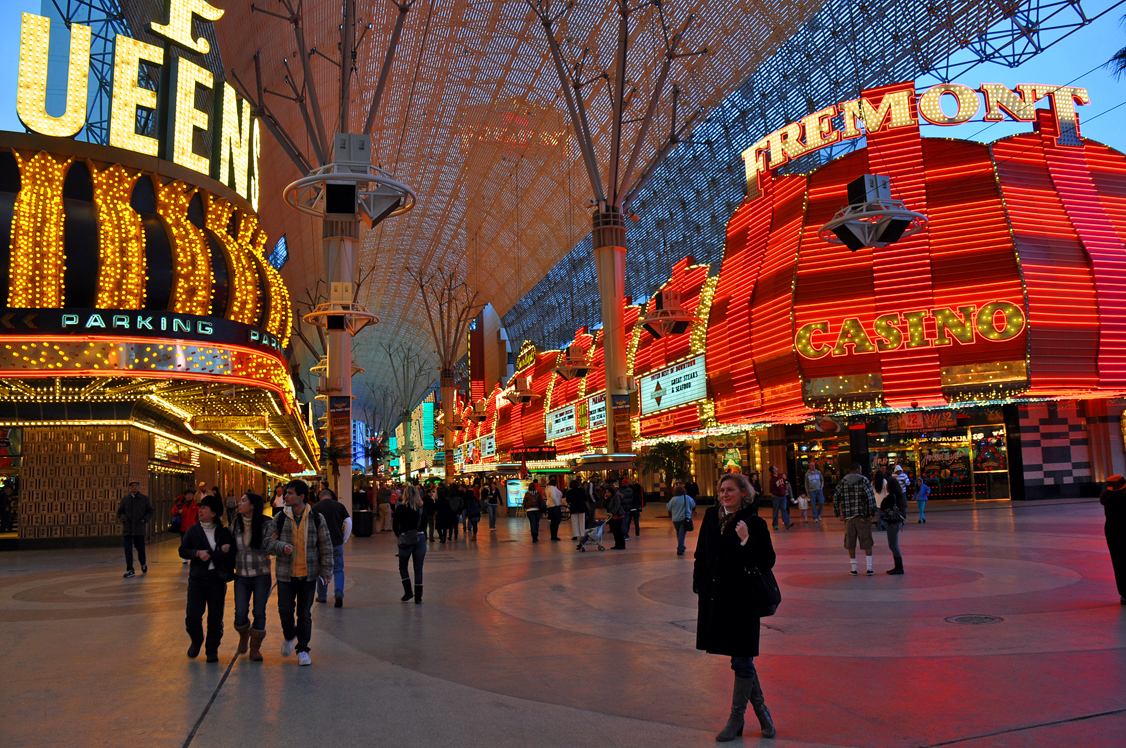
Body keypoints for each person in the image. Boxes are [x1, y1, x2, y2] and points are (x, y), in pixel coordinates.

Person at [693, 472, 777, 741]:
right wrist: (700, 585)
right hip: (717, 597)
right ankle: (763, 715)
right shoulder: (710, 517)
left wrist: (746, 539)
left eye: (730, 490)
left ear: (744, 492)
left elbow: (766, 561)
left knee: (741, 659)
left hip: (743, 601)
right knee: (741, 659)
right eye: (721, 490)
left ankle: (736, 719)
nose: (725, 495)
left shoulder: (752, 522)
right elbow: (701, 555)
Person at [264, 480, 333, 666]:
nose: (285, 496)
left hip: (308, 575)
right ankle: (289, 635)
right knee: (285, 611)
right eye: (285, 493)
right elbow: (267, 542)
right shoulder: (280, 518)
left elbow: (325, 546)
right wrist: (280, 546)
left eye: (290, 493)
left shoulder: (317, 518)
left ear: (301, 497)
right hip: (285, 575)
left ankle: (303, 649)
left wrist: (326, 571)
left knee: (304, 614)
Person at [178, 494, 234, 662]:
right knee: (193, 615)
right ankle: (196, 639)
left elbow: (230, 556)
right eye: (200, 508)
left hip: (216, 579)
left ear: (213, 513)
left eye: (204, 508)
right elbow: (182, 550)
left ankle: (212, 649)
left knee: (215, 617)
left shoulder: (223, 533)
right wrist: (196, 553)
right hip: (197, 579)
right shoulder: (193, 531)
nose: (200, 510)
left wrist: (213, 554)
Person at [231, 491, 271, 661]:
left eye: (243, 501)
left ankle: (255, 647)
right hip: (241, 575)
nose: (240, 503)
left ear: (253, 505)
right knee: (240, 612)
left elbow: (272, 547)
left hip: (261, 575)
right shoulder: (235, 524)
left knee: (259, 611)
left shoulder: (267, 524)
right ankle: (243, 635)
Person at [833, 462, 877, 576]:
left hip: (848, 517)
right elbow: (870, 497)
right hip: (862, 516)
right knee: (867, 541)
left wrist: (839, 514)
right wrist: (871, 513)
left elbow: (835, 498)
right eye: (860, 470)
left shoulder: (842, 482)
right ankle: (869, 568)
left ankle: (854, 568)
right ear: (857, 470)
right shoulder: (864, 481)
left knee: (850, 542)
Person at [312, 488, 352, 608]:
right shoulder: (339, 506)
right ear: (331, 496)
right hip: (336, 542)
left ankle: (322, 596)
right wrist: (344, 538)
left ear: (320, 497)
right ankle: (338, 593)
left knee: (321, 569)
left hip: (321, 544)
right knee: (338, 569)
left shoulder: (316, 507)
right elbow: (348, 523)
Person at [393, 485, 428, 603]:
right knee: (418, 569)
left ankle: (408, 591)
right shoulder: (422, 509)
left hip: (406, 538)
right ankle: (419, 596)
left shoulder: (401, 508)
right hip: (420, 537)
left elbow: (395, 524)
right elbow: (425, 524)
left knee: (403, 566)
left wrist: (399, 534)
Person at [118, 480, 154, 578]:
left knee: (140, 548)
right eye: (132, 486)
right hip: (128, 529)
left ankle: (143, 563)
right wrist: (123, 518)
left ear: (139, 487)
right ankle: (130, 569)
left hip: (139, 528)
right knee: (128, 549)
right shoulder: (125, 500)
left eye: (136, 485)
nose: (134, 487)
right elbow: (120, 511)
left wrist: (144, 520)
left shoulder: (144, 499)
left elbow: (150, 511)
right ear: (129, 488)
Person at [1100, 474, 1126, 605]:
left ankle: (1124, 594)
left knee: (1118, 563)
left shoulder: (1107, 499)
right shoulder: (1123, 500)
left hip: (1112, 533)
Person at [882, 476, 908, 575]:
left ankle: (899, 567)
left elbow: (883, 505)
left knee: (893, 545)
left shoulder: (890, 497)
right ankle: (898, 566)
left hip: (892, 522)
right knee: (894, 545)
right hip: (898, 521)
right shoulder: (900, 496)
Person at [667, 483, 696, 556]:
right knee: (682, 534)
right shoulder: (687, 498)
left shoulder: (673, 499)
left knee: (679, 533)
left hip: (675, 519)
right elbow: (693, 504)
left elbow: (668, 507)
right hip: (685, 518)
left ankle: (682, 546)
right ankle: (680, 549)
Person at [174, 489, 200, 565]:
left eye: (191, 495)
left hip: (192, 528)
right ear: (185, 496)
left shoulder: (195, 505)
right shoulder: (180, 504)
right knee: (184, 542)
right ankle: (185, 558)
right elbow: (173, 511)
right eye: (188, 494)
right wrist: (178, 512)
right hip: (183, 527)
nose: (190, 496)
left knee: (193, 542)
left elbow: (199, 516)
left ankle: (192, 556)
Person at [767, 466, 794, 531]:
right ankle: (775, 524)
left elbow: (784, 483)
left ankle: (787, 523)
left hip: (783, 496)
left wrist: (784, 490)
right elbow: (771, 489)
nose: (777, 467)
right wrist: (778, 493)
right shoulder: (772, 479)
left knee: (784, 509)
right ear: (773, 470)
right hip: (776, 497)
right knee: (776, 511)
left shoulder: (780, 475)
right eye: (775, 467)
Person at [605, 483, 626, 550]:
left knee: (619, 531)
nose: (607, 493)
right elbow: (606, 506)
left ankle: (622, 545)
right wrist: (606, 499)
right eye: (606, 492)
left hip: (618, 516)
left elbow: (617, 505)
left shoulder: (616, 497)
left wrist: (613, 512)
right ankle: (617, 544)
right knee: (615, 531)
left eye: (608, 492)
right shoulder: (610, 498)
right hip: (613, 516)